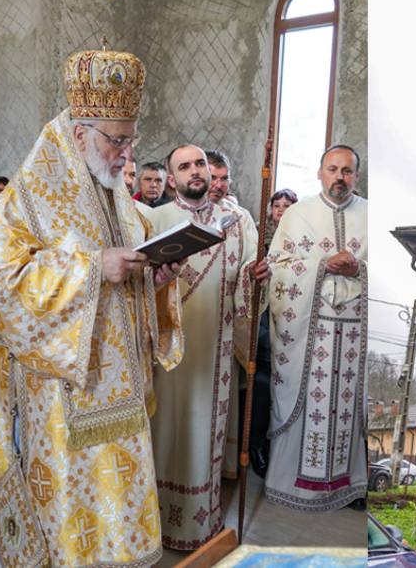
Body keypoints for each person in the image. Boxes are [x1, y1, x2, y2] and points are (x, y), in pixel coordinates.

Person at [0, 49, 184, 568]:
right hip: (61, 403)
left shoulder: (121, 201)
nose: (125, 154)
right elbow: (4, 281)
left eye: (130, 140)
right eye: (115, 139)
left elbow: (134, 277)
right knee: (71, 532)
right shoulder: (31, 195)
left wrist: (157, 279)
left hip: (124, 399)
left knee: (119, 524)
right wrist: (91, 268)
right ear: (81, 131)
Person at [145, 144, 268, 549]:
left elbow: (248, 280)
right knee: (162, 431)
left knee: (202, 434)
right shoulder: (153, 219)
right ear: (170, 177)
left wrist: (256, 277)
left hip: (215, 352)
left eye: (200, 164)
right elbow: (137, 285)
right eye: (185, 166)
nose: (195, 171)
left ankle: (200, 523)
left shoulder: (237, 221)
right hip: (165, 353)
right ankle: (153, 522)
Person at [264, 144, 367, 511]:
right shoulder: (298, 214)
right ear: (320, 172)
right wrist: (322, 263)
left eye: (347, 171)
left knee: (350, 407)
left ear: (356, 174)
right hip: (307, 329)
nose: (339, 177)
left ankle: (348, 483)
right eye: (333, 169)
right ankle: (293, 482)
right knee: (305, 403)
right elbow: (276, 267)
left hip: (356, 331)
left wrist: (360, 270)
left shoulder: (371, 214)